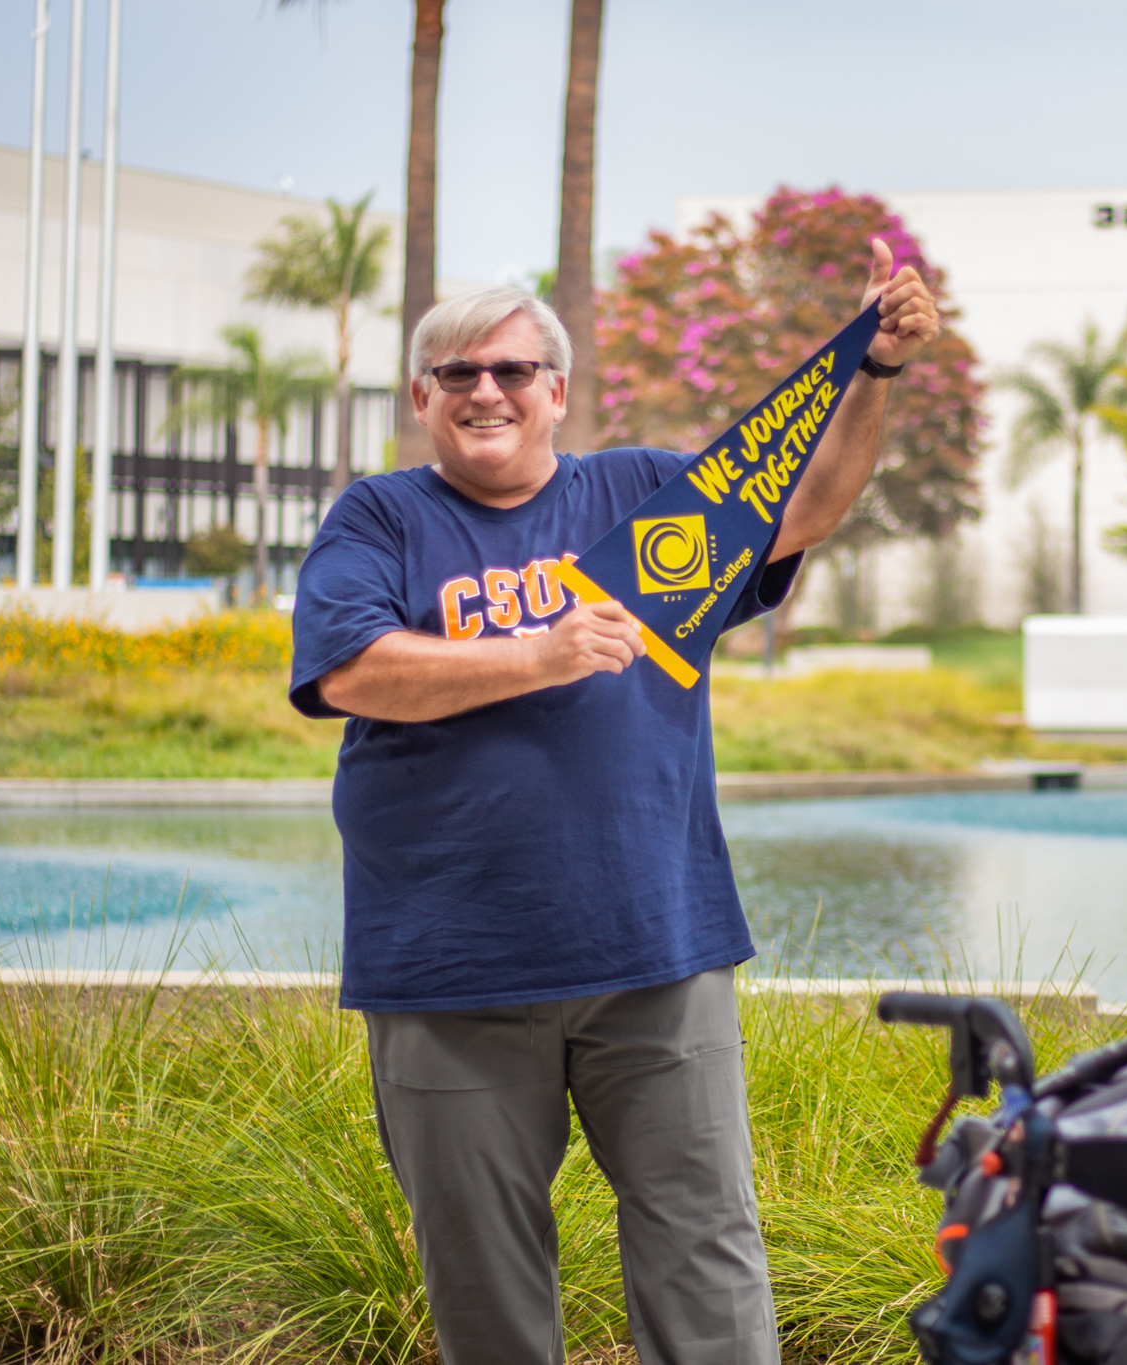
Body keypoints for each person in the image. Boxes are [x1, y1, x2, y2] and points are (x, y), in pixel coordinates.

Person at [286, 241, 941, 1365]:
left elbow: (801, 511)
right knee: (486, 1295)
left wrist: (870, 370)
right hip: (450, 971)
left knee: (707, 1268)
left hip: (653, 951)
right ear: (419, 398)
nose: (484, 391)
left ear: (556, 389)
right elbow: (351, 672)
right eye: (456, 374)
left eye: (510, 370)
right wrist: (533, 657)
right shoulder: (380, 520)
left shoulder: (638, 494)